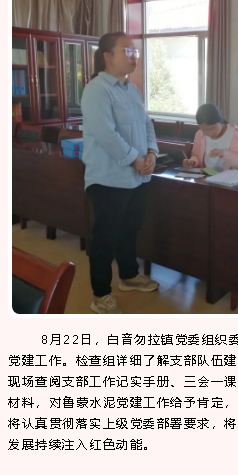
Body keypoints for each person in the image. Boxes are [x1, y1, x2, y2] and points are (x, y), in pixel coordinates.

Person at [81, 32, 160, 314]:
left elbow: (146, 124)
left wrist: (151, 153)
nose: (134, 56)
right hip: (108, 179)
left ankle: (129, 276)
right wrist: (136, 160)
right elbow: (106, 134)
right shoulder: (97, 90)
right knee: (106, 236)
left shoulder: (132, 89)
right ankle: (100, 293)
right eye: (127, 51)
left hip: (137, 177)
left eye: (135, 51)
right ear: (107, 56)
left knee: (130, 228)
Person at [182, 103, 238, 171]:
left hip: (230, 179)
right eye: (204, 129)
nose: (210, 133)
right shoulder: (200, 134)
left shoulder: (236, 134)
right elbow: (196, 156)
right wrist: (192, 162)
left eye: (213, 128)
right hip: (207, 177)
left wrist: (224, 154)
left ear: (220, 121)